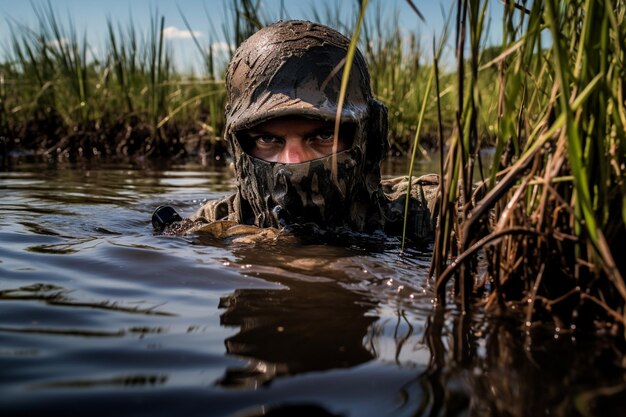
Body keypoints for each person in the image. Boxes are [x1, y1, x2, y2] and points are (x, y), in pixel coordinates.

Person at [155, 20, 438, 243]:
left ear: (368, 138)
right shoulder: (206, 228)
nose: (293, 162)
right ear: (238, 149)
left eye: (323, 136)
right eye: (268, 139)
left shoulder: (427, 216)